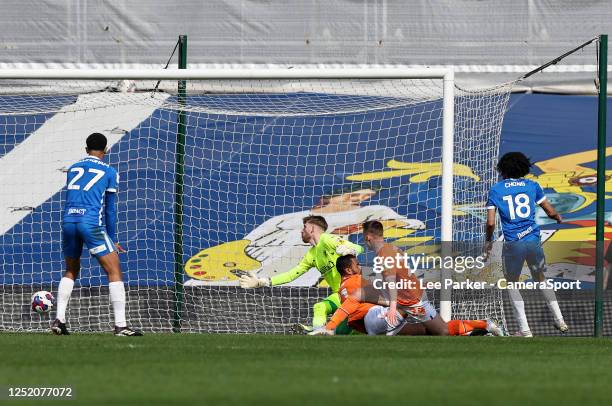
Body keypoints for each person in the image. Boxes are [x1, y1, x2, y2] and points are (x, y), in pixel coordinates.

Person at [52, 133, 142, 336]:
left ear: (86, 149)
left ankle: (59, 319)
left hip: (69, 221)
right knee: (114, 270)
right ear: (106, 150)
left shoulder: (73, 168)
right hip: (91, 223)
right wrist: (111, 237)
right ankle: (121, 325)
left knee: (71, 269)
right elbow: (110, 209)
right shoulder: (109, 171)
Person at [310, 254, 503, 337]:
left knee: (433, 330)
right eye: (356, 264)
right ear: (348, 269)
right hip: (375, 320)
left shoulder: (345, 287)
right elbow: (359, 303)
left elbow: (354, 306)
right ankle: (484, 324)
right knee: (428, 323)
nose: (360, 266)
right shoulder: (355, 282)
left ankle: (484, 325)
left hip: (377, 324)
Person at [485, 151, 568, 336]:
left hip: (513, 243)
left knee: (512, 283)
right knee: (540, 278)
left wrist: (488, 242)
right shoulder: (532, 186)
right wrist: (557, 217)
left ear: (502, 169)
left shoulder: (496, 189)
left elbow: (490, 222)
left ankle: (524, 329)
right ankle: (559, 319)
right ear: (524, 167)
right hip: (533, 241)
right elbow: (549, 210)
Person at [239, 215, 363, 332]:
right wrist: (262, 281)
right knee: (320, 308)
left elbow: (359, 248)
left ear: (312, 228)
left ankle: (317, 331)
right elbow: (291, 275)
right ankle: (318, 334)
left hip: (356, 291)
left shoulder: (327, 239)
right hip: (341, 295)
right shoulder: (311, 255)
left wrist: (349, 249)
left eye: (304, 227)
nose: (301, 231)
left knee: (351, 327)